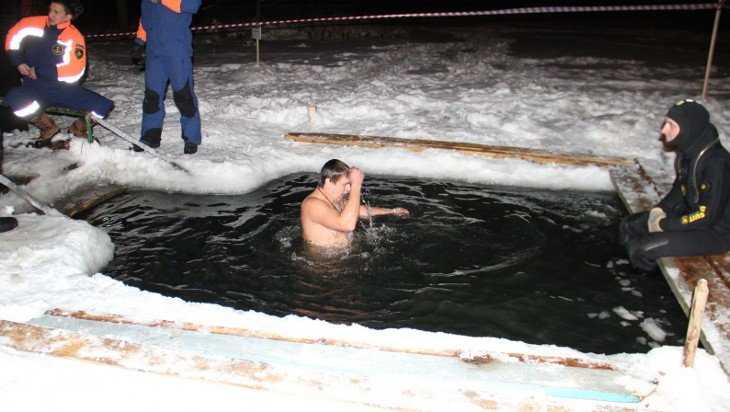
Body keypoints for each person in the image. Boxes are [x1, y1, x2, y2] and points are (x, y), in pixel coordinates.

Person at [620, 99, 730, 271]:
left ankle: (648, 280)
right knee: (629, 225)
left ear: (689, 128)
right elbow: (681, 187)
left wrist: (665, 224)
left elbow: (707, 216)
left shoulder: (717, 165)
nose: (663, 130)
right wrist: (661, 209)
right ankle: (626, 271)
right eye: (666, 123)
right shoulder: (689, 149)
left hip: (717, 232)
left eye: (671, 125)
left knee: (643, 249)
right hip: (692, 215)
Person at [3, 0, 114, 148]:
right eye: (50, 9)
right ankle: (49, 129)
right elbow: (13, 36)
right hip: (34, 88)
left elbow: (75, 70)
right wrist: (18, 61)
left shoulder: (74, 36)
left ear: (68, 16)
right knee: (14, 99)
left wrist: (41, 71)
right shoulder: (31, 23)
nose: (50, 14)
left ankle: (78, 129)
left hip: (63, 90)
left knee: (103, 106)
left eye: (56, 12)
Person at [134, 0, 202, 155]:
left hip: (178, 51)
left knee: (183, 95)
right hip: (154, 53)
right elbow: (145, 19)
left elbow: (192, 5)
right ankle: (150, 137)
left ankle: (191, 138)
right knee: (152, 97)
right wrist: (139, 41)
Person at [301, 159, 410, 248]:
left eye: (350, 185)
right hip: (324, 264)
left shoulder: (333, 199)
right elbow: (347, 225)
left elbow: (360, 210)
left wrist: (391, 211)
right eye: (345, 184)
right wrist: (356, 185)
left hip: (344, 257)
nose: (349, 189)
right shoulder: (312, 204)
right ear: (329, 181)